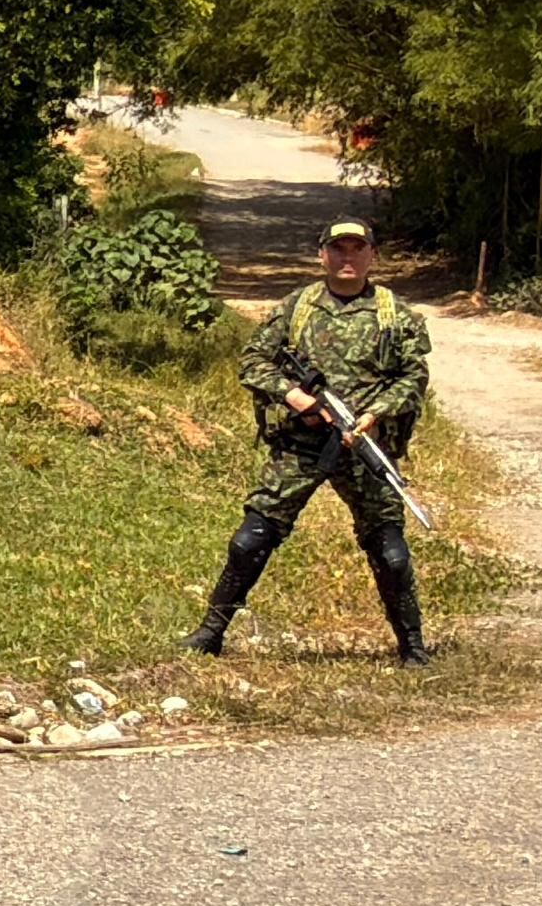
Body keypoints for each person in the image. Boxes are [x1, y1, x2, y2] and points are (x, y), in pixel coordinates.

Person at [185, 218, 433, 663]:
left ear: (371, 256)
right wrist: (298, 398)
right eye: (338, 249)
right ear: (323, 255)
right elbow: (254, 362)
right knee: (251, 539)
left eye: (357, 249)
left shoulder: (394, 314)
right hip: (301, 444)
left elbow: (414, 377)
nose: (347, 258)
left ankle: (412, 648)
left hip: (363, 449)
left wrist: (376, 415)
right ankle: (209, 633)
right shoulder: (297, 307)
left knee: (390, 552)